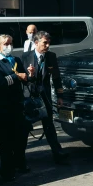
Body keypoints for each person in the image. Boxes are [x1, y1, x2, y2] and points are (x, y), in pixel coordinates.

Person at [0, 34, 35, 181]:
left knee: (21, 138)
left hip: (18, 106)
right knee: (6, 142)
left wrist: (30, 75)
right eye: (6, 44)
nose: (9, 46)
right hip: (2, 108)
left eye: (10, 43)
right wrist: (17, 77)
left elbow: (26, 80)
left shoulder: (16, 60)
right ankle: (7, 170)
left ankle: (20, 163)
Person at [22, 31, 71, 165]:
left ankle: (57, 153)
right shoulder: (26, 56)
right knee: (25, 127)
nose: (48, 45)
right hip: (30, 96)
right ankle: (20, 158)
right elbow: (23, 79)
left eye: (49, 42)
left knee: (49, 125)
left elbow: (56, 77)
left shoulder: (51, 56)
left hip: (45, 96)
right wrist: (30, 74)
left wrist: (60, 96)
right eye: (45, 42)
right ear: (36, 43)